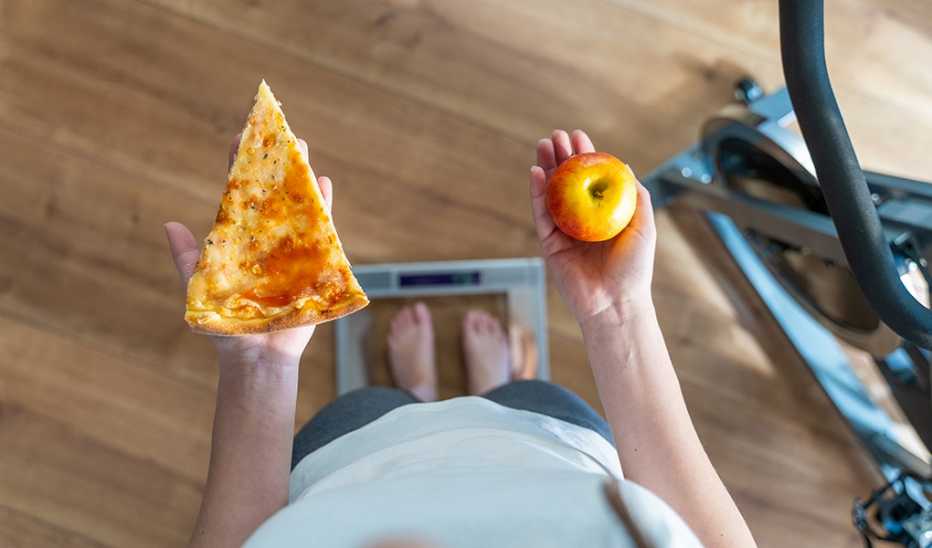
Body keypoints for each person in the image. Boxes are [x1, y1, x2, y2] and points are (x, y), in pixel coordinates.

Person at [164, 130, 756, 548]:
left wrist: (259, 365)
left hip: (357, 452)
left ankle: (414, 389)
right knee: (527, 392)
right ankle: (492, 384)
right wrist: (616, 311)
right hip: (552, 443)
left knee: (373, 408)